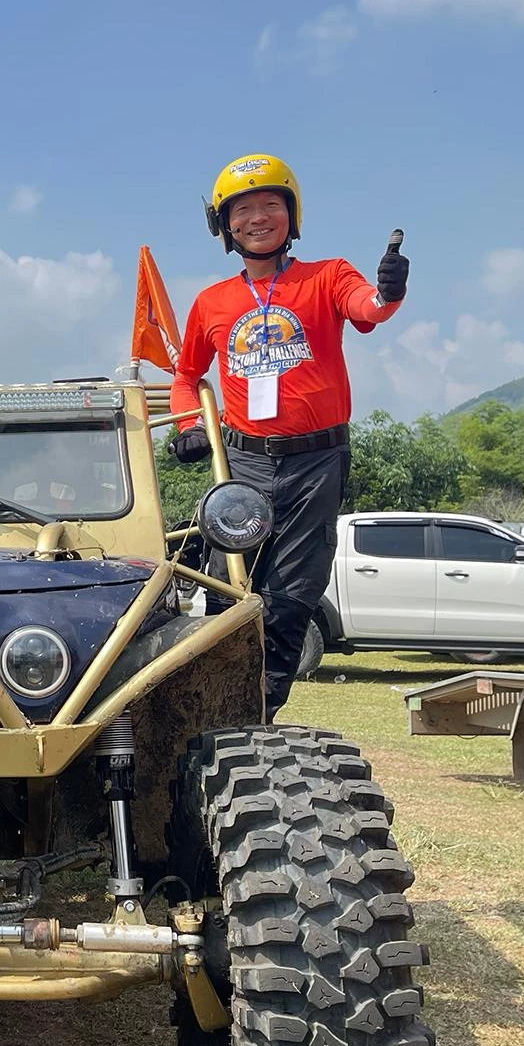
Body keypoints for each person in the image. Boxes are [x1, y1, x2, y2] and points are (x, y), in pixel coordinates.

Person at [170, 153, 409, 720]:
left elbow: (369, 310)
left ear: (292, 214)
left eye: (270, 204)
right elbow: (185, 377)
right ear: (224, 226)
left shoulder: (327, 275)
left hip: (316, 462)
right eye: (243, 209)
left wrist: (389, 291)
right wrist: (188, 426)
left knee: (290, 594)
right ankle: (202, 703)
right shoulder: (211, 302)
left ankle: (258, 713)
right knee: (225, 589)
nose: (258, 217)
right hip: (245, 463)